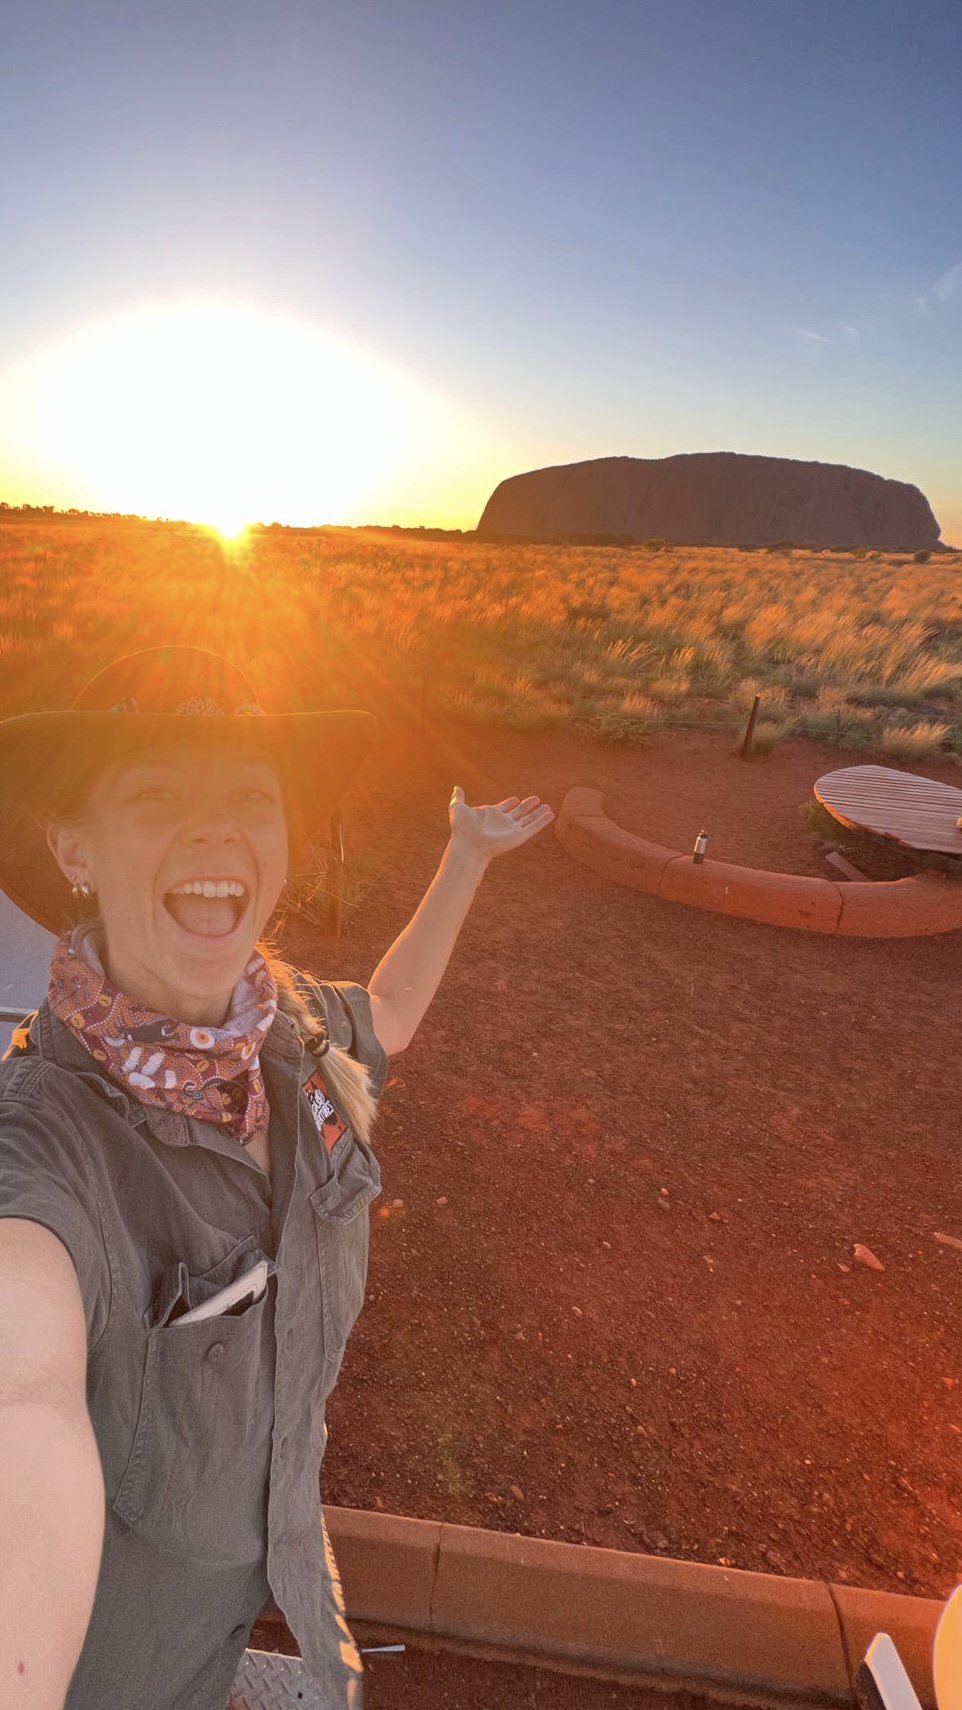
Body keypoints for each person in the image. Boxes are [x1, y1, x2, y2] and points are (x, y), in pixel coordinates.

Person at [0, 644, 554, 1710]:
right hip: (119, 1660)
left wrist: (466, 858)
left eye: (251, 798)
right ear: (74, 844)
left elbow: (384, 1016)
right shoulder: (42, 1143)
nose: (217, 830)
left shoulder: (287, 1024)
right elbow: (25, 1397)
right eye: (159, 793)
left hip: (272, 1560)